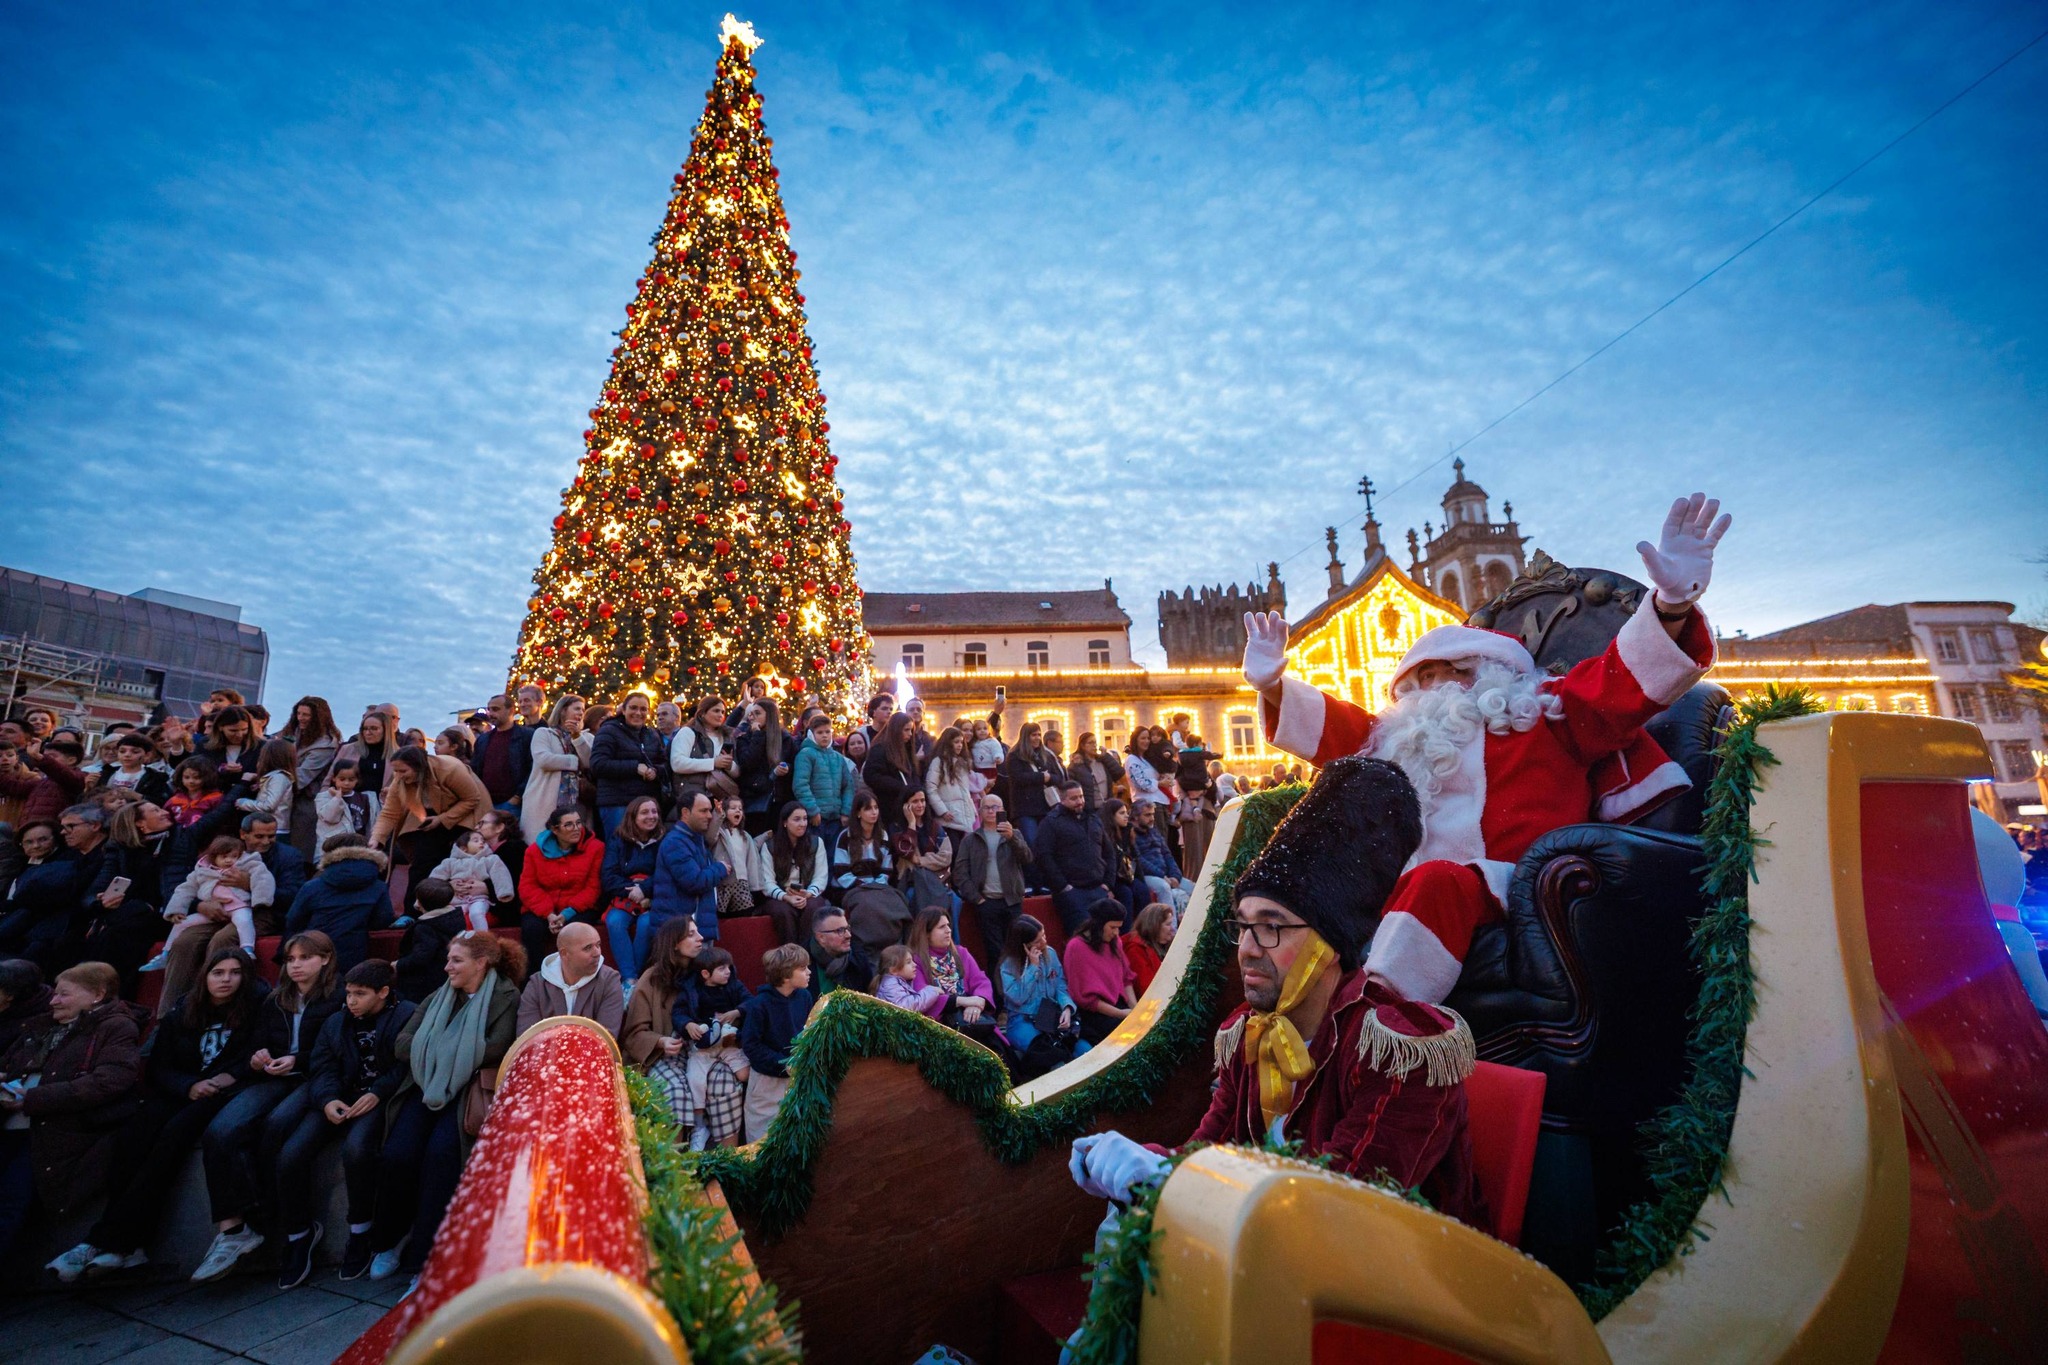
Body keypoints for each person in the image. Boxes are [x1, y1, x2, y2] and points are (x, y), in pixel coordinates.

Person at [1241, 493, 1728, 1003]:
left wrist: (1671, 607)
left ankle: (1380, 1018)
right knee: (1327, 898)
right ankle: (1294, 1013)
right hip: (1415, 884)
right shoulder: (1406, 740)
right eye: (1416, 682)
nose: (1425, 693)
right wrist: (1274, 686)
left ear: (1481, 672)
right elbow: (1345, 731)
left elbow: (1619, 682)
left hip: (1512, 879)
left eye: (1438, 676)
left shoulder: (1544, 712)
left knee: (1436, 885)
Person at [1071, 755, 1488, 1227]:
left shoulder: (1399, 1051)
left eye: (1270, 928)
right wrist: (1142, 1163)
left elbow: (1343, 1209)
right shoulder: (1245, 1033)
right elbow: (1211, 1151)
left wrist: (1167, 1180)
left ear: (1326, 945)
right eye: (1243, 926)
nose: (1246, 949)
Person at [52, 948, 265, 1282]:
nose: (226, 980)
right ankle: (126, 1244)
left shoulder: (257, 1006)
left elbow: (260, 1052)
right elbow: (159, 1066)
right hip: (184, 1089)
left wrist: (229, 1077)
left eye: (235, 972)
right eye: (218, 972)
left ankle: (107, 1241)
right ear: (204, 976)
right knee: (133, 1136)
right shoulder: (185, 1008)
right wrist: (188, 1086)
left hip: (223, 1094)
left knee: (171, 1139)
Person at [374, 930, 524, 1283]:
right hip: (426, 1085)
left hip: (468, 1092)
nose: (447, 967)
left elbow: (496, 1047)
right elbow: (403, 1042)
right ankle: (391, 1239)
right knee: (397, 1153)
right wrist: (453, 1049)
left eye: (456, 960)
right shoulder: (440, 995)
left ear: (481, 963)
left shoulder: (506, 997)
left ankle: (424, 1257)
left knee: (442, 1158)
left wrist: (437, 1045)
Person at [198, 932, 342, 1284]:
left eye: (304, 958)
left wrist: (297, 1057)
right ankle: (235, 1227)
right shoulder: (275, 999)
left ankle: (276, 1224)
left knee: (277, 1126)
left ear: (325, 959)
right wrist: (261, 1057)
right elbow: (257, 1044)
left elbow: (337, 1052)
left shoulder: (339, 996)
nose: (295, 966)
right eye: (290, 959)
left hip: (313, 1077)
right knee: (219, 1132)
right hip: (272, 1079)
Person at [2, 963, 146, 1264]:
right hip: (12, 1126)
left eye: (63, 995)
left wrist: (34, 1098)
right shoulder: (41, 1026)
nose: (53, 1001)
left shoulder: (115, 1027)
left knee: (10, 1201)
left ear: (97, 995)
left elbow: (109, 1081)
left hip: (54, 1135)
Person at [285, 958, 414, 1282]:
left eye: (360, 994)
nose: (351, 1001)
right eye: (349, 993)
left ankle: (361, 1232)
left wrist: (379, 1093)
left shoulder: (406, 1015)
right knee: (291, 1154)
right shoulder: (337, 1021)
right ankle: (298, 1235)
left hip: (377, 1101)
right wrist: (328, 1100)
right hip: (338, 1098)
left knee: (356, 1150)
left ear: (383, 992)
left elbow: (406, 1065)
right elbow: (323, 1066)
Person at [374, 746, 492, 910]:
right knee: (421, 861)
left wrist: (442, 819)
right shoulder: (399, 780)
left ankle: (457, 907)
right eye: (396, 771)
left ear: (418, 767)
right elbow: (389, 813)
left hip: (465, 815)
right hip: (429, 818)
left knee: (458, 861)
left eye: (403, 771)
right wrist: (376, 839)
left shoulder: (450, 769)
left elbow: (472, 798)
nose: (398, 776)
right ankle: (413, 910)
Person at [621, 917, 709, 1131]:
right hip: (663, 1057)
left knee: (724, 1084)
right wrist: (660, 1041)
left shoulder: (707, 972)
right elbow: (633, 1033)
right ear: (675, 943)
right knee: (674, 1090)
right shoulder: (651, 979)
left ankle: (722, 1159)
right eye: (691, 934)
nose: (701, 938)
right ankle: (673, 1161)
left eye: (698, 932)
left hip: (705, 1053)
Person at [147, 835, 269, 968]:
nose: (229, 860)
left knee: (244, 921)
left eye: (234, 856)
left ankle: (247, 949)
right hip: (212, 909)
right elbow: (185, 889)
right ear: (214, 857)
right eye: (224, 857)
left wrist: (260, 899)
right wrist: (176, 910)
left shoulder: (247, 865)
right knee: (182, 923)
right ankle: (165, 953)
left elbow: (263, 878)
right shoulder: (202, 871)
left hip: (238, 905)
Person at [673, 945, 749, 1148]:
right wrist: (687, 1024)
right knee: (696, 1081)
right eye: (722, 968)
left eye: (729, 967)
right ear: (706, 974)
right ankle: (699, 1126)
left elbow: (751, 1002)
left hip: (728, 1042)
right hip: (703, 1048)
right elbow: (678, 1013)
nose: (728, 972)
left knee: (744, 1075)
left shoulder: (733, 986)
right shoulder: (692, 991)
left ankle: (745, 1120)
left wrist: (737, 1011)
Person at [906, 906, 1006, 1061]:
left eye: (948, 925)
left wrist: (976, 1003)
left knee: (998, 1054)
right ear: (926, 933)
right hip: (942, 1024)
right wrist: (964, 1001)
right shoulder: (915, 961)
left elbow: (981, 981)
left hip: (973, 1018)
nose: (948, 930)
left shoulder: (961, 953)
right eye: (941, 927)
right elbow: (922, 997)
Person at [952, 793, 1032, 985]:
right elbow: (960, 872)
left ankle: (1021, 994)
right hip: (986, 903)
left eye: (995, 807)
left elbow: (1028, 859)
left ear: (1002, 811)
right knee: (995, 953)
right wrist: (977, 898)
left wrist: (1012, 838)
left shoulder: (1015, 834)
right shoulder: (970, 840)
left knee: (1018, 951)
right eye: (987, 807)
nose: (991, 811)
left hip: (1012, 901)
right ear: (980, 812)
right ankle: (999, 1000)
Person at [285, 834, 392, 977]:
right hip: (354, 952)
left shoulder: (312, 886)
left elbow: (293, 920)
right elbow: (383, 919)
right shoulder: (378, 887)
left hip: (313, 951)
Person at [739, 943, 813, 1142]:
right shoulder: (759, 1005)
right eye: (803, 968)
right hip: (766, 1084)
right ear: (786, 975)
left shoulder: (804, 997)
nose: (809, 972)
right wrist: (782, 1064)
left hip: (796, 1078)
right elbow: (751, 1045)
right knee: (762, 1137)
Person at [516, 806, 604, 970]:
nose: (576, 828)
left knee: (577, 931)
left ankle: (577, 977)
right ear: (555, 830)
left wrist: (565, 915)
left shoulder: (595, 848)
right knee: (532, 929)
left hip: (578, 908)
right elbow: (527, 886)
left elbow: (593, 888)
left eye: (578, 823)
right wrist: (549, 914)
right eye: (569, 825)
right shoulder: (533, 852)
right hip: (542, 908)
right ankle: (536, 981)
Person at [1000, 916, 1088, 1079]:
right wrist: (1033, 967)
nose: (1044, 942)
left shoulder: (1051, 954)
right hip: (1023, 1021)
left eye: (1044, 936)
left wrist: (1067, 1008)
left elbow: (1061, 986)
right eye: (1038, 941)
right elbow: (1018, 998)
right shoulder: (1009, 965)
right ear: (1024, 945)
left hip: (1051, 1017)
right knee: (1051, 1058)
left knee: (1084, 1049)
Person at [833, 790, 909, 957]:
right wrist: (865, 886)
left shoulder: (882, 835)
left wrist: (877, 884)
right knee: (868, 905)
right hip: (852, 888)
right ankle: (870, 950)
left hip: (879, 886)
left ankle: (896, 949)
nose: (874, 812)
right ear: (858, 813)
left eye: (876, 807)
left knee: (898, 902)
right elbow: (841, 872)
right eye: (868, 808)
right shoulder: (845, 837)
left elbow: (887, 870)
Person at [517, 919, 624, 1036]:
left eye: (598, 945)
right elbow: (527, 1040)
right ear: (564, 954)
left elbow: (606, 1038)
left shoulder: (609, 981)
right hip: (547, 1054)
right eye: (588, 948)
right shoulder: (537, 985)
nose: (597, 953)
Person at [1034, 781, 1113, 934]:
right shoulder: (1051, 823)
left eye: (1081, 796)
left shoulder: (1094, 819)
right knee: (1083, 939)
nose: (1080, 801)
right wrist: (1063, 886)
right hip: (1073, 894)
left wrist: (1107, 883)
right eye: (1074, 798)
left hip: (1099, 889)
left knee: (1104, 938)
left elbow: (1109, 852)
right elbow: (1043, 856)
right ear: (1062, 800)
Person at [600, 795, 664, 981]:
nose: (651, 816)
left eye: (654, 812)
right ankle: (630, 980)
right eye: (644, 812)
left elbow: (665, 873)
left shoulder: (665, 841)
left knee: (646, 924)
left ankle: (634, 978)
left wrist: (644, 889)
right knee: (614, 921)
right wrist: (634, 890)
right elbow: (609, 876)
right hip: (625, 898)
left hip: (654, 898)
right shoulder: (618, 840)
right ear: (632, 816)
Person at [650, 788, 723, 951]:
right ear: (685, 812)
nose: (710, 816)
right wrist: (720, 868)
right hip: (681, 935)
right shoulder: (675, 842)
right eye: (703, 811)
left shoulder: (696, 840)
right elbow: (694, 881)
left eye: (710, 811)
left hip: (696, 930)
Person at [589, 693, 668, 839]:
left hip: (646, 804)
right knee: (618, 849)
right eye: (633, 708)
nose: (638, 713)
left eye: (643, 709)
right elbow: (598, 765)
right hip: (617, 803)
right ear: (623, 710)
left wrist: (655, 771)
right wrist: (634, 768)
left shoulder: (652, 734)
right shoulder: (608, 731)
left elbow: (664, 763)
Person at [751, 800, 827, 945]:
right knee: (783, 912)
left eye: (805, 819)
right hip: (780, 895)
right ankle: (790, 957)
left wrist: (809, 893)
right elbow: (767, 882)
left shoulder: (816, 843)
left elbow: (821, 877)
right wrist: (786, 897)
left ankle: (807, 955)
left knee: (813, 907)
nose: (803, 823)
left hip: (808, 893)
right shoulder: (770, 846)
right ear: (785, 822)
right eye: (797, 819)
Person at [1063, 900, 1137, 1045]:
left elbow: (1126, 979)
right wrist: (1121, 1014)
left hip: (1119, 1004)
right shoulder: (1076, 947)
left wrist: (1135, 1008)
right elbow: (1086, 1000)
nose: (1117, 933)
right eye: (1113, 927)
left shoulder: (1115, 941)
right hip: (1095, 1014)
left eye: (1119, 928)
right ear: (1099, 924)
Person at [520, 694, 586, 842]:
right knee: (541, 845)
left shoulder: (586, 737)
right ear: (563, 711)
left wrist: (577, 737)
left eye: (583, 710)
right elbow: (544, 760)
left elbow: (589, 762)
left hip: (577, 803)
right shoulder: (544, 733)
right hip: (543, 801)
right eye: (577, 708)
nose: (581, 713)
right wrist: (575, 762)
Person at [430, 826, 517, 933]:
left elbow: (501, 875)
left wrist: (504, 893)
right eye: (476, 841)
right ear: (463, 848)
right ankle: (457, 940)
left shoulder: (490, 859)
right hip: (456, 900)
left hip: (479, 898)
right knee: (451, 917)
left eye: (483, 841)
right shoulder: (450, 863)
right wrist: (424, 899)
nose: (481, 843)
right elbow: (434, 880)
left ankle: (484, 938)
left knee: (477, 914)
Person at [792, 712, 855, 854]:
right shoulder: (806, 754)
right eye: (820, 732)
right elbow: (800, 785)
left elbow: (848, 786)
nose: (825, 735)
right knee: (815, 855)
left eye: (827, 732)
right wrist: (812, 810)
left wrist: (846, 811)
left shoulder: (838, 758)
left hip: (836, 818)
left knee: (834, 855)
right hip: (816, 819)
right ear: (811, 734)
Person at [392, 878, 463, 1004]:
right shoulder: (456, 917)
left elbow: (421, 956)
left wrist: (399, 964)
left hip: (425, 982)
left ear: (419, 904)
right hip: (446, 975)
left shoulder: (425, 928)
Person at [732, 699, 792, 837]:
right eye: (751, 714)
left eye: (757, 713)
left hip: (778, 801)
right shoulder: (744, 738)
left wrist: (786, 768)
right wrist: (757, 735)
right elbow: (748, 763)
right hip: (754, 799)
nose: (752, 717)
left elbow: (793, 763)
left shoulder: (784, 738)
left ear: (770, 715)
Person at [470, 693, 535, 815]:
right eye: (489, 709)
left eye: (496, 709)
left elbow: (533, 768)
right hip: (486, 803)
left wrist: (517, 797)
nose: (491, 713)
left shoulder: (527, 736)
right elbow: (475, 769)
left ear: (511, 710)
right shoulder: (483, 739)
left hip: (512, 804)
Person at [891, 788, 954, 915]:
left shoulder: (935, 827)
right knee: (913, 898)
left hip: (937, 881)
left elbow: (946, 857)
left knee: (955, 901)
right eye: (915, 801)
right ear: (905, 805)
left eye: (923, 800)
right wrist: (912, 824)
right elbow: (907, 852)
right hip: (910, 883)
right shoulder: (896, 828)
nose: (920, 805)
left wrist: (920, 860)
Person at [1002, 723, 1060, 858]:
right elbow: (1017, 777)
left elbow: (1058, 777)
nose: (1037, 738)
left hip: (1046, 806)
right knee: (1031, 844)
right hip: (1025, 809)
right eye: (1034, 735)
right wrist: (1041, 777)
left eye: (1039, 735)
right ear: (1025, 736)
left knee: (1047, 845)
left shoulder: (1045, 755)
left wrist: (1048, 777)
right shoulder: (1015, 756)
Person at [669, 696, 736, 804]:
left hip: (719, 796)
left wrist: (729, 766)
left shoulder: (727, 737)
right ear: (702, 713)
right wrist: (713, 762)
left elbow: (738, 771)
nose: (720, 715)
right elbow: (677, 763)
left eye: (723, 712)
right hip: (692, 797)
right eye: (716, 711)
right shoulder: (687, 732)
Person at [863, 713, 922, 828]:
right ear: (896, 730)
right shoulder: (880, 749)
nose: (910, 734)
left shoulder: (907, 750)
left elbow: (913, 774)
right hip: (889, 807)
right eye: (906, 730)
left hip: (907, 805)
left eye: (911, 730)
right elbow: (871, 776)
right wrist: (901, 786)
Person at [1132, 800, 1190, 916]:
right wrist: (1162, 876)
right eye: (1147, 815)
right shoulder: (1131, 834)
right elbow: (1139, 861)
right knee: (1163, 888)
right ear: (1135, 817)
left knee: (1194, 888)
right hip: (1147, 875)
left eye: (1153, 814)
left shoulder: (1154, 831)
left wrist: (1175, 875)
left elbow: (1167, 855)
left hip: (1166, 874)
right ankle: (1172, 930)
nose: (1152, 818)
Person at [924, 726, 976, 853]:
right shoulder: (939, 763)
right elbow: (931, 787)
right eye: (956, 742)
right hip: (949, 817)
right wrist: (942, 811)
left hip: (961, 815)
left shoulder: (962, 764)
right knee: (953, 851)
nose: (959, 746)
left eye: (961, 742)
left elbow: (964, 791)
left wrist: (971, 810)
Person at [804, 906, 874, 996]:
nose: (848, 935)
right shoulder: (801, 964)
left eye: (847, 928)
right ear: (821, 937)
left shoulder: (858, 959)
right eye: (840, 931)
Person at [710, 793, 756, 919]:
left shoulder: (744, 835)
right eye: (733, 808)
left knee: (744, 915)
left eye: (740, 809)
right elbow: (709, 837)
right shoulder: (719, 833)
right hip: (723, 883)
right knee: (721, 917)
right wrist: (718, 815)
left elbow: (752, 852)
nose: (738, 811)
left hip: (741, 882)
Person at [94, 731, 171, 805]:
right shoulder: (106, 773)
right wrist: (89, 787)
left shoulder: (155, 778)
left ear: (147, 755)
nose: (127, 755)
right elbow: (93, 799)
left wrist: (137, 796)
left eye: (135, 752)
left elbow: (162, 802)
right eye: (122, 751)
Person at [316, 759, 377, 848]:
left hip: (358, 846)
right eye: (342, 779)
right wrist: (337, 798)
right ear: (334, 778)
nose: (346, 783)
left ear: (357, 780)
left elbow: (374, 822)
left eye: (351, 779)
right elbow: (329, 817)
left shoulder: (365, 798)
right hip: (332, 847)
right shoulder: (324, 797)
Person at [874, 944, 945, 1014]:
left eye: (912, 961)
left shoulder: (898, 982)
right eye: (908, 962)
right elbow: (907, 1007)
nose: (914, 964)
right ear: (894, 970)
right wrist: (932, 991)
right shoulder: (890, 984)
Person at [1124, 901, 1175, 996]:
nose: (1172, 929)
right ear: (1155, 926)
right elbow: (1146, 989)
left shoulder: (1166, 945)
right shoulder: (1135, 950)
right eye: (1168, 924)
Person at [1068, 732, 1125, 816]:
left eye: (1095, 742)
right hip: (1089, 809)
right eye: (1090, 743)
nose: (1094, 745)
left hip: (1107, 807)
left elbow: (1119, 773)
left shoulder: (1102, 761)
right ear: (1083, 746)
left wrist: (1106, 756)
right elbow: (1070, 784)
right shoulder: (1078, 764)